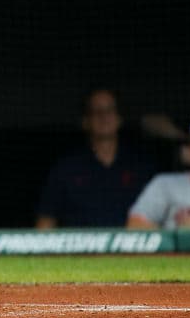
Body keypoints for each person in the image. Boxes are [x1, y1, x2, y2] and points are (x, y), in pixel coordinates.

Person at [36, 89, 156, 229]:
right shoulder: (66, 168)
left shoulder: (140, 165)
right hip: (79, 248)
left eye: (109, 110)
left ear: (119, 119)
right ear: (85, 121)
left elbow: (157, 220)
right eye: (96, 111)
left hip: (130, 248)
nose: (103, 116)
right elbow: (46, 222)